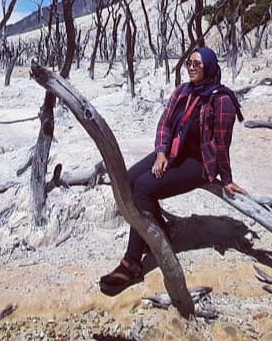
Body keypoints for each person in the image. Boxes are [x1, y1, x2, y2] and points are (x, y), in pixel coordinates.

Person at [99, 46, 246, 296]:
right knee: (129, 179)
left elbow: (222, 143)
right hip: (174, 152)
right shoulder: (184, 91)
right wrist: (161, 153)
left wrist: (227, 179)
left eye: (197, 64)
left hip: (199, 163)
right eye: (189, 62)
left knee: (144, 188)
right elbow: (166, 122)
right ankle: (160, 228)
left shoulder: (222, 100)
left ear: (209, 66)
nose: (191, 67)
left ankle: (132, 261)